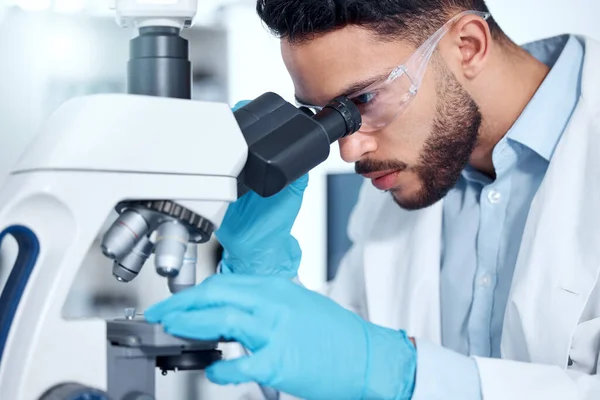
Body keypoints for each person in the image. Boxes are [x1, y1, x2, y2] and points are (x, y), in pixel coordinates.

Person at [145, 0, 600, 399]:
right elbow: (332, 376)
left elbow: (373, 370)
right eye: (330, 116)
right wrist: (265, 277)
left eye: (363, 99)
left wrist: (404, 375)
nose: (349, 149)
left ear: (468, 46)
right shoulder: (406, 181)